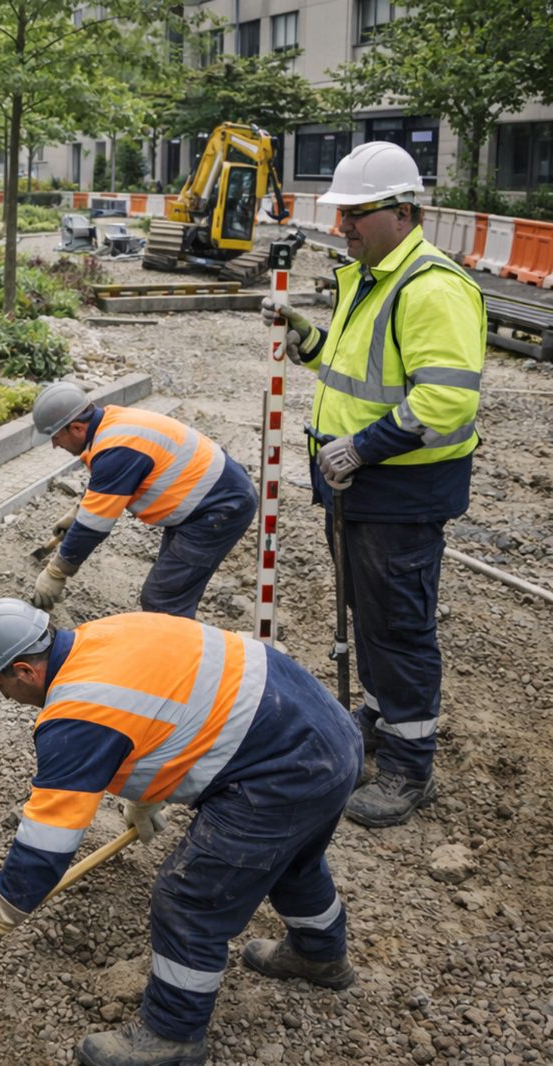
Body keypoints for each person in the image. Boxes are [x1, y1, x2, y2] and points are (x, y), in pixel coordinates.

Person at [0, 599, 361, 1066]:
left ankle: (172, 1035)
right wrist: (146, 794)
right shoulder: (106, 633)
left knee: (187, 899)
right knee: (294, 864)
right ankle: (320, 955)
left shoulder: (76, 715)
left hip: (284, 770)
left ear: (23, 671)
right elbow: (169, 704)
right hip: (327, 733)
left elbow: (48, 840)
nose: (2, 696)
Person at [260, 141, 485, 828]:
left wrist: (361, 449)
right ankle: (382, 720)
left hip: (398, 495)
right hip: (357, 490)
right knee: (373, 621)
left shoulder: (430, 285)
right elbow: (358, 369)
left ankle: (409, 768)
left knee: (398, 629)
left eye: (357, 214)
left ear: (403, 211)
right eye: (342, 213)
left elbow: (446, 400)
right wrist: (308, 341)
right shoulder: (370, 274)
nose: (344, 226)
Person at [30, 381, 257, 619]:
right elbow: (111, 484)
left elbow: (93, 527)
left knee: (163, 598)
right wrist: (78, 513)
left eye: (55, 437)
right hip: (207, 500)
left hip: (219, 508)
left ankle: (178, 652)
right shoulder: (111, 423)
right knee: (172, 592)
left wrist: (57, 572)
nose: (55, 445)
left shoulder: (115, 449)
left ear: (76, 428)